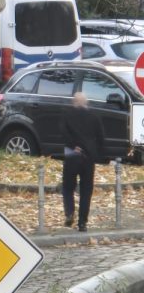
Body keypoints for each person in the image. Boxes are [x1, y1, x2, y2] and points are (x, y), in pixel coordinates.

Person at [62, 91, 105, 232]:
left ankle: (69, 212)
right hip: (88, 158)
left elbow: (63, 133)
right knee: (86, 191)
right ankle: (82, 223)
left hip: (72, 156)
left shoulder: (67, 115)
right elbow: (101, 138)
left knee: (68, 187)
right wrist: (97, 155)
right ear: (86, 103)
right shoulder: (94, 116)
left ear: (74, 102)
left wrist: (74, 145)